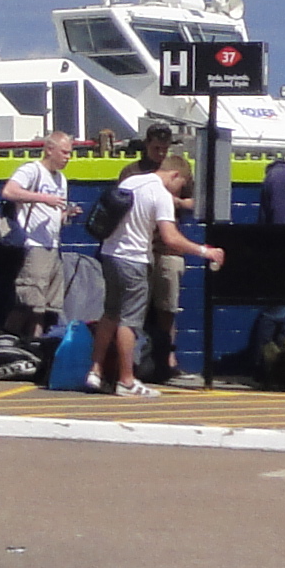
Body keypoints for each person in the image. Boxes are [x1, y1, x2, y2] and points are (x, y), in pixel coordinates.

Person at [97, 121, 217, 396]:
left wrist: (176, 202)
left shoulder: (175, 172)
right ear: (147, 145)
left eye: (164, 148)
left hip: (165, 251)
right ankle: (124, 374)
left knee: (166, 308)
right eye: (156, 148)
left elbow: (197, 203)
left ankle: (166, 361)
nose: (160, 152)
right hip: (135, 251)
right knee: (127, 315)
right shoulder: (132, 172)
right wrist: (203, 251)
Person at [2, 131, 78, 335]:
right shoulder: (31, 170)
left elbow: (56, 214)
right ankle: (8, 339)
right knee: (28, 301)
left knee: (44, 305)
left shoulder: (61, 179)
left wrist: (67, 213)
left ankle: (36, 343)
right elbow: (9, 191)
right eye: (64, 152)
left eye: (70, 153)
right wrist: (43, 198)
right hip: (33, 244)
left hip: (52, 245)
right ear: (49, 150)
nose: (68, 157)